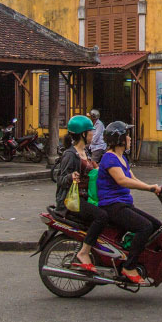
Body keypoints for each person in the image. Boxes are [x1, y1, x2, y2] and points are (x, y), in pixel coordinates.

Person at [97, 120, 161, 284]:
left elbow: (132, 178)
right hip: (112, 205)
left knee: (156, 225)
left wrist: (154, 187)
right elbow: (122, 181)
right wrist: (149, 188)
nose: (130, 139)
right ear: (119, 139)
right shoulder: (109, 158)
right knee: (144, 226)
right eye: (127, 136)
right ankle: (128, 266)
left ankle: (132, 253)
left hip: (123, 203)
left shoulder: (122, 157)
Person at [54, 115, 110, 273]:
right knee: (101, 216)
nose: (93, 135)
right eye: (90, 132)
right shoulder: (70, 155)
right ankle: (83, 252)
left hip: (86, 197)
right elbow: (59, 179)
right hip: (72, 201)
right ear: (82, 135)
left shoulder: (86, 151)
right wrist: (70, 177)